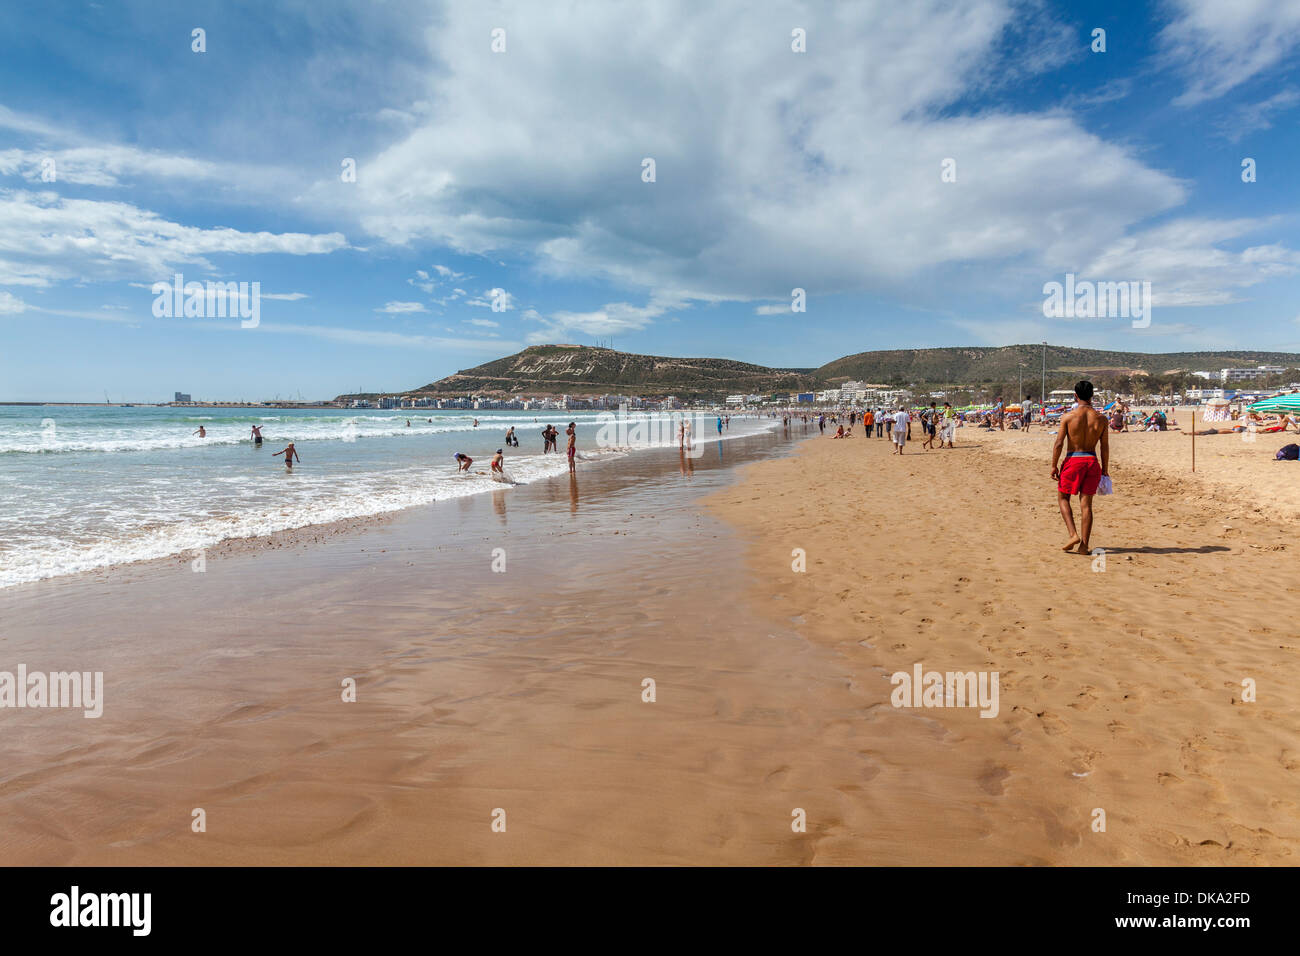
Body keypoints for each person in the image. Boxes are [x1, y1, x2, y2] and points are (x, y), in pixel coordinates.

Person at [1051, 380, 1109, 554]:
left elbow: (1059, 443)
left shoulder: (1068, 417)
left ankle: (1073, 534)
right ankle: (1084, 545)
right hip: (1092, 461)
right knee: (1086, 505)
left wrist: (1054, 465)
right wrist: (1105, 469)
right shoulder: (1101, 419)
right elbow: (1104, 447)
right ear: (1092, 396)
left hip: (1073, 460)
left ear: (1075, 396)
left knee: (1063, 498)